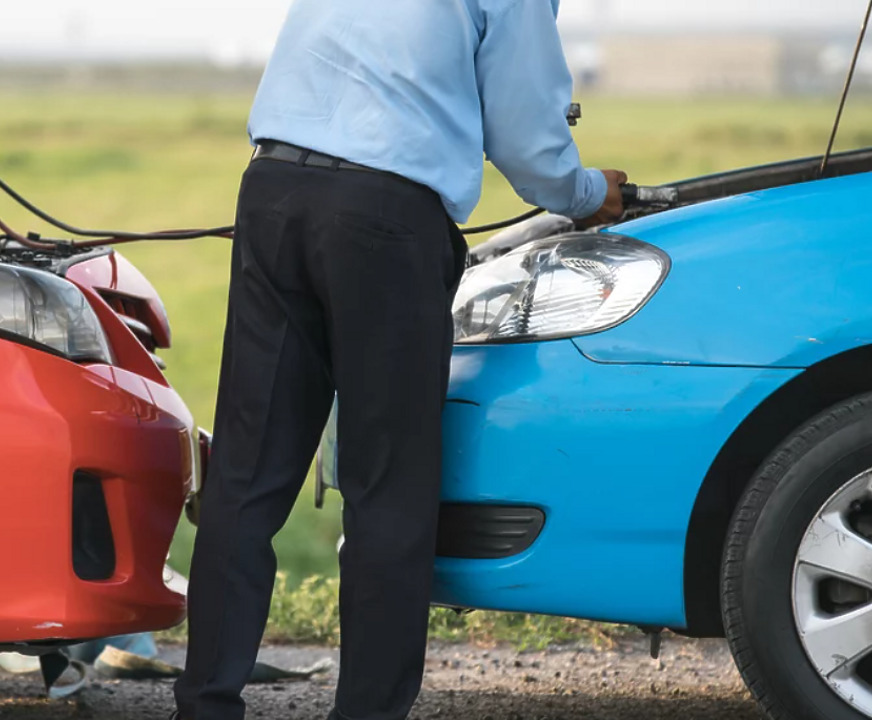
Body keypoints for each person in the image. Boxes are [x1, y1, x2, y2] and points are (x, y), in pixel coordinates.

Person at [173, 1, 627, 718]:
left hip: (274, 190)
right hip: (384, 217)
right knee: (388, 485)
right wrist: (586, 192)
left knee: (246, 473)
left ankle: (204, 704)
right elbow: (527, 133)